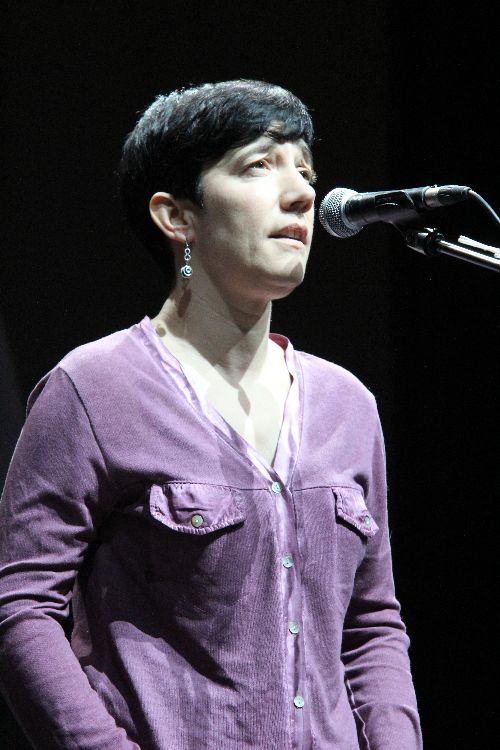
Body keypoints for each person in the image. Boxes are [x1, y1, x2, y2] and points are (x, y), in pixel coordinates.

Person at [0, 79, 423, 749]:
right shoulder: (94, 389)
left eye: (306, 172)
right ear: (178, 218)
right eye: (260, 166)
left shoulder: (347, 404)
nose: (301, 194)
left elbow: (371, 624)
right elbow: (21, 607)